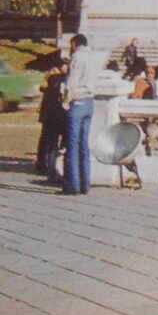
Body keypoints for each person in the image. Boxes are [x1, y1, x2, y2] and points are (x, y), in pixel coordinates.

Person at [63, 33, 98, 195]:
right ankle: (85, 183)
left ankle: (73, 184)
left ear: (75, 44)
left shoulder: (77, 57)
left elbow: (72, 80)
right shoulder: (93, 57)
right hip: (90, 102)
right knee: (84, 145)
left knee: (72, 144)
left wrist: (65, 100)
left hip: (77, 101)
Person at [35, 52, 68, 177]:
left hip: (50, 113)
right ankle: (46, 164)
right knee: (49, 140)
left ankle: (44, 163)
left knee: (47, 140)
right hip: (53, 114)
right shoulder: (55, 78)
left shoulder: (52, 77)